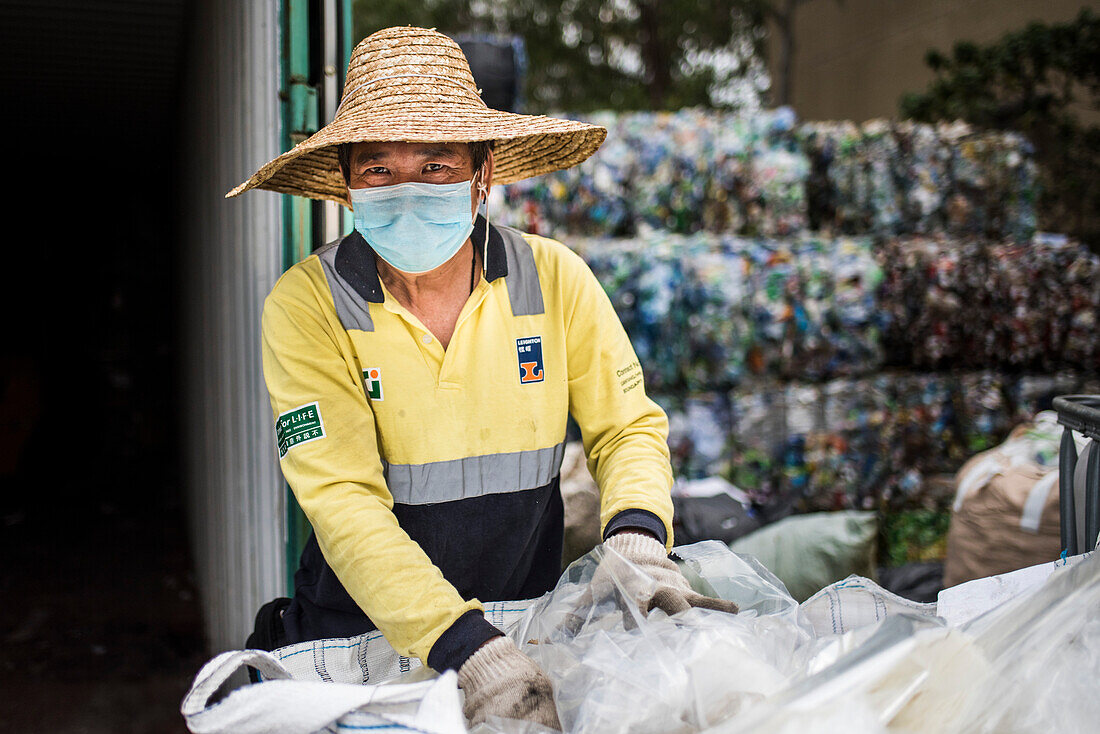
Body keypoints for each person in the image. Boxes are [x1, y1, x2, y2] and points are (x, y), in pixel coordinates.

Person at [228, 25, 736, 729]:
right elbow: (344, 500)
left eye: (436, 166)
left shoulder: (554, 280)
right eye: (379, 169)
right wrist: (465, 647)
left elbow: (628, 427)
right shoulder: (307, 306)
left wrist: (639, 538)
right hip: (364, 650)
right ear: (346, 183)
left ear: (482, 172)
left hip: (526, 632)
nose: (407, 191)